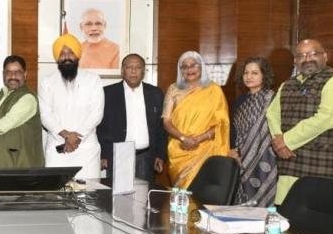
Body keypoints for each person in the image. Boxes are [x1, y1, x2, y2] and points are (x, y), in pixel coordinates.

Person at [266, 39, 333, 205]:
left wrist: (286, 140)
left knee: (318, 216)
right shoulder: (287, 84)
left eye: (313, 53)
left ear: (325, 56)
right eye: (301, 55)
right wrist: (279, 141)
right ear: (295, 61)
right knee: (287, 214)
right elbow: (272, 114)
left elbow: (327, 118)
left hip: (323, 166)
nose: (307, 59)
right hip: (289, 164)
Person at [39, 34, 104, 180]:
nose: (66, 57)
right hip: (57, 148)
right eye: (62, 53)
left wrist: (75, 138)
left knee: (89, 191)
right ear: (57, 58)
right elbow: (45, 114)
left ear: (78, 56)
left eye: (71, 53)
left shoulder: (93, 80)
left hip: (87, 148)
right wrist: (66, 135)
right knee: (56, 191)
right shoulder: (47, 82)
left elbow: (96, 113)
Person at [162, 51, 230, 189]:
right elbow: (166, 121)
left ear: (201, 67)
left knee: (202, 191)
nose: (189, 69)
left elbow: (221, 124)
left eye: (194, 65)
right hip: (179, 148)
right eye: (185, 66)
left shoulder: (214, 90)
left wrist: (198, 139)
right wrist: (183, 138)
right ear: (180, 70)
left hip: (205, 149)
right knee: (182, 193)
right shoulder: (173, 89)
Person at [97, 54, 166, 184]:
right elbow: (100, 127)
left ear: (143, 71)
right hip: (117, 156)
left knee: (144, 195)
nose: (133, 71)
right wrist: (104, 154)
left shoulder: (155, 93)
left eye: (138, 67)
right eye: (129, 67)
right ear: (122, 71)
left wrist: (160, 155)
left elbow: (161, 128)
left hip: (146, 157)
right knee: (118, 195)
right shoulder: (108, 93)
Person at [228, 57, 278, 207]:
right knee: (241, 197)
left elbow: (272, 128)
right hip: (240, 158)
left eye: (255, 73)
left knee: (262, 198)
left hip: (265, 156)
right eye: (246, 73)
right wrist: (234, 150)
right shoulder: (240, 100)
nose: (249, 77)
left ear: (264, 75)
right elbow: (234, 129)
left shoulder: (272, 98)